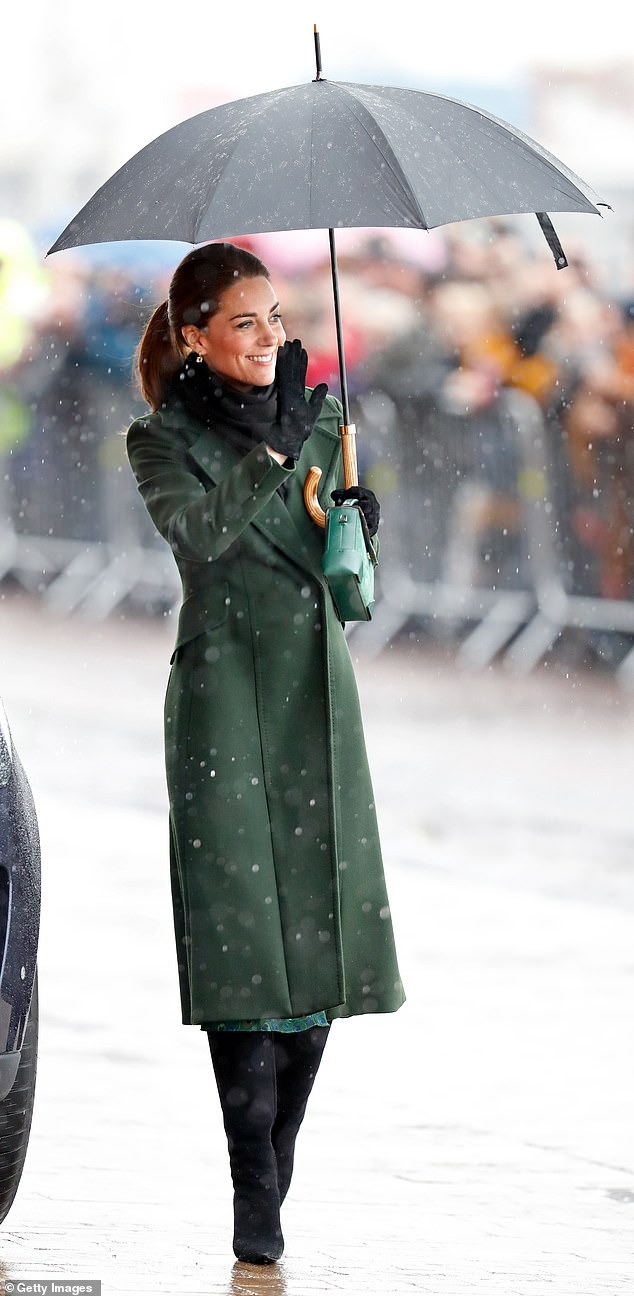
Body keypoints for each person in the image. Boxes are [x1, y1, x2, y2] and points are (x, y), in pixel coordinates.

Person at [126, 242, 405, 1265]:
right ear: (193, 334)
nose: (268, 340)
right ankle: (254, 1186)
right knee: (246, 944)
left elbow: (350, 595)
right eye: (244, 322)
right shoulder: (155, 438)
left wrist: (360, 536)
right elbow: (197, 537)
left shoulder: (329, 420)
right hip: (222, 699)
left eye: (277, 320)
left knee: (321, 939)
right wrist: (271, 458)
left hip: (313, 697)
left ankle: (273, 1161)